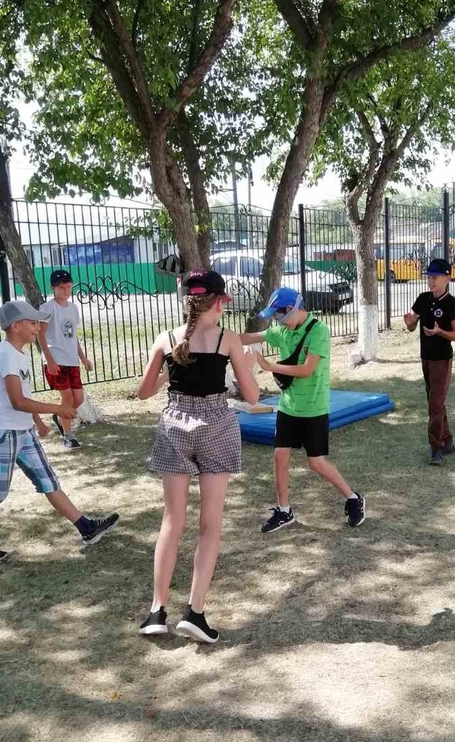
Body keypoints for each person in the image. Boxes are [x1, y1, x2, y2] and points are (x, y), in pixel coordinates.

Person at [135, 269, 259, 644]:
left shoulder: (166, 339)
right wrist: (249, 365)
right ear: (219, 302)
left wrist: (171, 371)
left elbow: (143, 392)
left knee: (172, 522)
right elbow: (252, 396)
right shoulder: (228, 339)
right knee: (210, 525)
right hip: (217, 425)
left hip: (175, 424)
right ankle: (195, 612)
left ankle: (157, 611)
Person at [0, 301, 119, 564]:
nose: (38, 328)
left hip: (24, 431)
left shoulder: (19, 354)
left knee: (48, 481)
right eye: (33, 323)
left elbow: (24, 397)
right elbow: (17, 402)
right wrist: (58, 409)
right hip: (3, 432)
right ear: (16, 326)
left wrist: (37, 422)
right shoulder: (5, 355)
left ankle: (87, 529)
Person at [241, 288, 365, 533]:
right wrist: (216, 335)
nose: (276, 320)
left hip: (314, 409)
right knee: (280, 456)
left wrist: (268, 366)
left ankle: (353, 498)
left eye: (277, 315)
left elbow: (306, 370)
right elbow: (249, 337)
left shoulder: (319, 331)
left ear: (291, 309)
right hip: (288, 407)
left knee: (316, 463)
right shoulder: (282, 331)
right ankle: (284, 510)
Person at [403, 258, 455, 465]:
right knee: (435, 402)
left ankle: (436, 447)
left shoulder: (452, 303)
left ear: (447, 278)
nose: (431, 281)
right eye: (429, 277)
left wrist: (439, 332)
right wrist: (410, 323)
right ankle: (448, 441)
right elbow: (412, 325)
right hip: (425, 357)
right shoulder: (423, 299)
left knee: (435, 405)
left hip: (442, 359)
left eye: (435, 277)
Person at [38, 268, 91, 450]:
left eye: (68, 287)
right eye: (61, 287)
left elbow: (73, 336)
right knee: (67, 397)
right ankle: (68, 436)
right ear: (53, 288)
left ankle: (60, 415)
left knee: (79, 398)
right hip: (56, 359)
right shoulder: (48, 308)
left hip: (71, 360)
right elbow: (41, 335)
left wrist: (83, 358)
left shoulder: (73, 308)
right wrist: (49, 360)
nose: (66, 291)